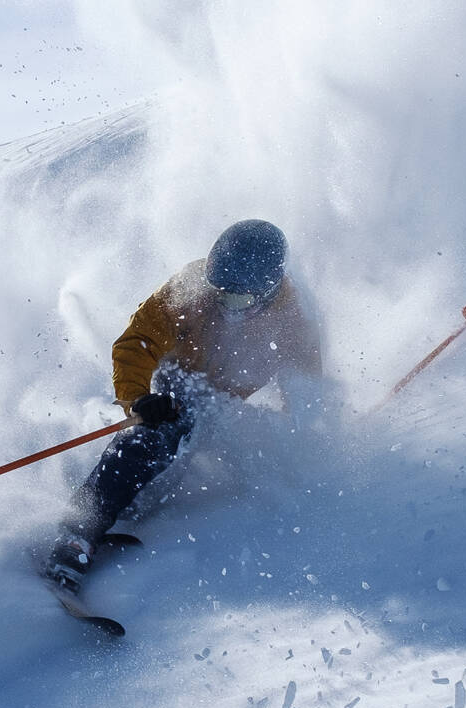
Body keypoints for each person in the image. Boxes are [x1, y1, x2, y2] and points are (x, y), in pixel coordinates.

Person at [47, 218, 327, 588]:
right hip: (177, 384)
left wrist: (304, 440)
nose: (226, 304)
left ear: (269, 291)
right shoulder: (189, 288)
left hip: (226, 406)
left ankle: (127, 505)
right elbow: (139, 342)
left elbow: (304, 391)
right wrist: (139, 399)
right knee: (154, 440)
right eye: (219, 292)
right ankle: (79, 531)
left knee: (252, 463)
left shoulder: (294, 322)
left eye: (238, 299)